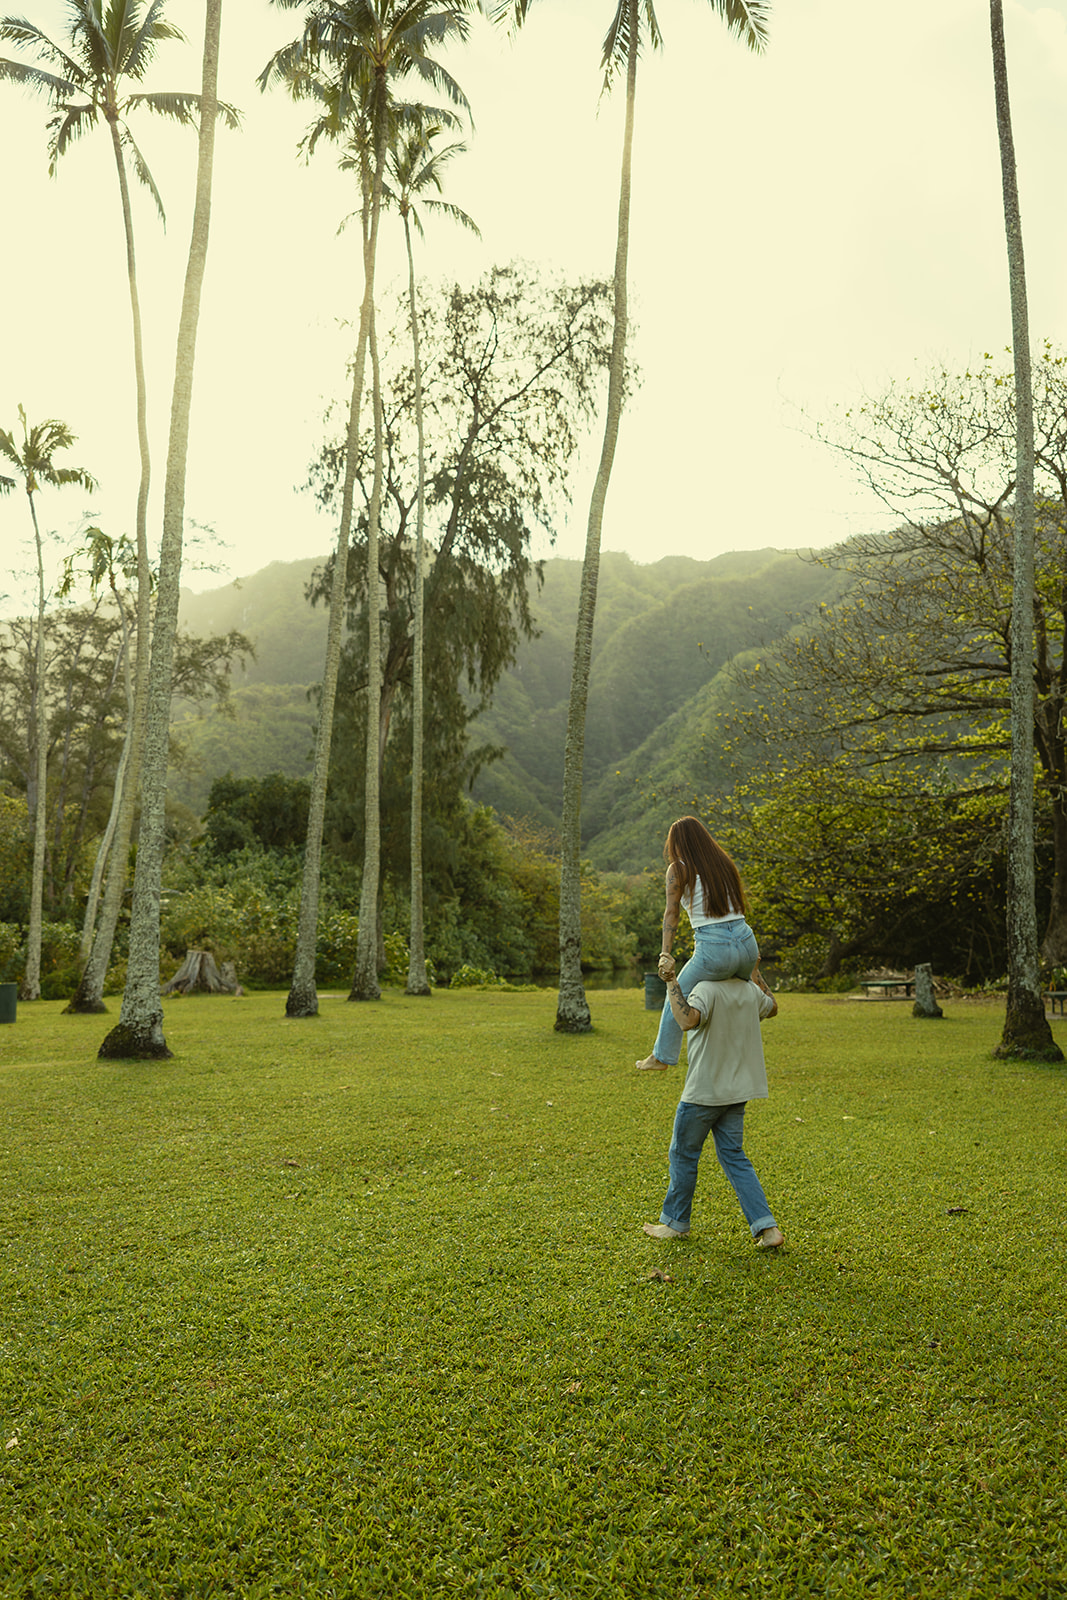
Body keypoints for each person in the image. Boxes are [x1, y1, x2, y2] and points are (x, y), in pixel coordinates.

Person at [641, 955, 785, 1249]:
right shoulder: (749, 990)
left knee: (683, 1153)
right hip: (737, 1093)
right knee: (734, 1157)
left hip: (704, 1093)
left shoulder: (705, 988)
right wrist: (756, 973)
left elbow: (685, 1021)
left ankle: (675, 1223)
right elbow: (773, 1007)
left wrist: (671, 982)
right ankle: (767, 1229)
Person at [636, 816, 759, 1072]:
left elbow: (672, 913)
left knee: (676, 996)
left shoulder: (678, 868)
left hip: (715, 949)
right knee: (733, 996)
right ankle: (765, 1006)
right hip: (747, 943)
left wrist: (665, 954)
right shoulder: (723, 863)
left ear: (677, 843)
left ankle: (661, 1057)